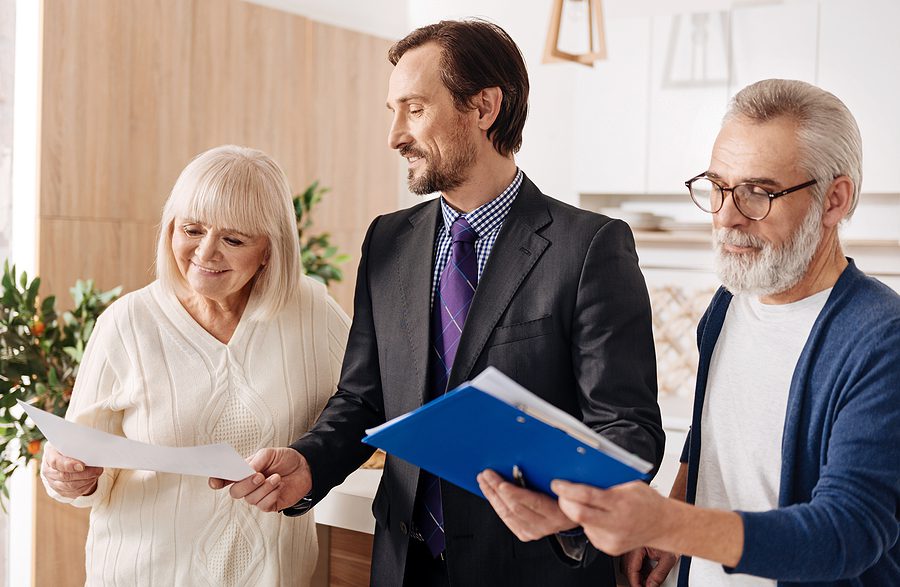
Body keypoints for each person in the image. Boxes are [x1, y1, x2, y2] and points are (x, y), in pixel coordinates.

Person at [212, 18, 664, 587]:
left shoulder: (589, 246)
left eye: (415, 109)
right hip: (404, 565)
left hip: (535, 569)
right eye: (392, 111)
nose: (395, 135)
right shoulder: (387, 241)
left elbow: (627, 429)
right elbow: (362, 397)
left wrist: (571, 514)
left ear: (483, 108)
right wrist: (307, 464)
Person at [552, 79, 900, 587]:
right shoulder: (729, 304)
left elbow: (845, 534)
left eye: (759, 193)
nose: (727, 217)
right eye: (718, 187)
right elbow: (713, 435)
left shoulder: (879, 340)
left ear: (834, 200)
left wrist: (668, 521)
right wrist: (672, 516)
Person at [40, 145, 350, 586]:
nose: (205, 252)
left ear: (268, 250)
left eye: (233, 239)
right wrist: (69, 478)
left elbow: (369, 403)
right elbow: (79, 469)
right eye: (191, 229)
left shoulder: (314, 315)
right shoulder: (127, 324)